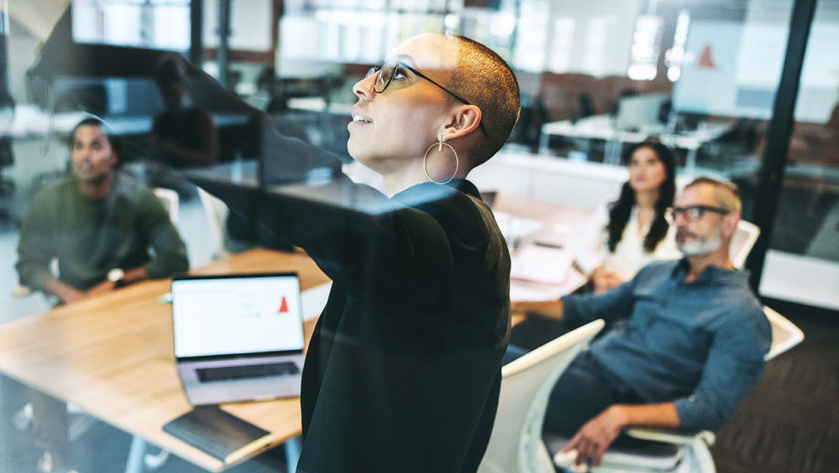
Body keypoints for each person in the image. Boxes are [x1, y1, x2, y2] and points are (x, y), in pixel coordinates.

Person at [155, 33, 520, 471]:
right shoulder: (449, 226)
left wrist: (149, 84)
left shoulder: (459, 235)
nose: (362, 87)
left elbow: (318, 200)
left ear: (456, 121)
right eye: (372, 72)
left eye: (396, 75)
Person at [511, 177, 771, 468]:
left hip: (620, 399)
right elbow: (588, 308)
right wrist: (514, 304)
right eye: (678, 212)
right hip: (581, 368)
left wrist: (621, 415)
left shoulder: (741, 315)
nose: (681, 222)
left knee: (483, 372)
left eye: (695, 212)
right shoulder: (658, 272)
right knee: (484, 350)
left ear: (729, 223)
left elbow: (710, 409)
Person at [17, 117, 189, 304]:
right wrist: (72, 297)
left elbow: (175, 258)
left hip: (129, 296)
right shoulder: (48, 201)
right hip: (74, 303)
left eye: (95, 146)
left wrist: (120, 280)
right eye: (78, 146)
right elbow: (29, 265)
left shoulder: (139, 197)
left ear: (114, 156)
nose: (84, 155)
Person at [578, 138, 681, 293]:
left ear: (667, 170)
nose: (641, 169)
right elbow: (582, 247)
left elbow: (675, 269)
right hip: (606, 294)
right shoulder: (611, 208)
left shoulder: (677, 218)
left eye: (651, 162)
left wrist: (628, 285)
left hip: (647, 299)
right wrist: (597, 272)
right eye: (634, 163)